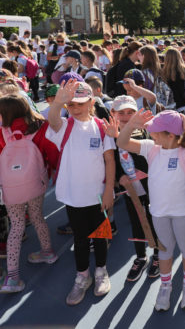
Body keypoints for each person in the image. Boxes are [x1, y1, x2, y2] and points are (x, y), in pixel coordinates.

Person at [116, 109, 185, 311]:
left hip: (183, 210)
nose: (151, 134)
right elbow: (122, 142)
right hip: (158, 212)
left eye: (156, 131)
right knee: (164, 250)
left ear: (171, 135)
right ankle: (166, 286)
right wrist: (131, 124)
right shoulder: (150, 148)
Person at [46, 80, 116, 305]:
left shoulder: (101, 126)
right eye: (71, 105)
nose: (75, 109)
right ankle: (82, 276)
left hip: (98, 196)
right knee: (81, 238)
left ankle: (101, 272)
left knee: (101, 235)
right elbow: (53, 119)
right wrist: (58, 102)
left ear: (91, 102)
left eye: (80, 104)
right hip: (74, 197)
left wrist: (108, 191)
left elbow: (109, 160)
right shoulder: (64, 126)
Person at [0, 94, 58, 293]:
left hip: (11, 186)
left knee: (16, 226)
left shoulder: (2, 132)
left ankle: (13, 277)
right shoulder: (39, 128)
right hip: (35, 182)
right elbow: (51, 152)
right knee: (37, 217)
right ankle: (48, 252)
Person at [102, 95, 160, 282]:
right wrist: (120, 178)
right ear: (113, 113)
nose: (126, 117)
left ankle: (158, 255)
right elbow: (110, 160)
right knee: (136, 221)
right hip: (129, 189)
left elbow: (147, 155)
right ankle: (141, 256)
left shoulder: (143, 132)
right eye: (122, 113)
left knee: (153, 219)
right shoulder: (108, 135)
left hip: (150, 187)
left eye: (130, 112)